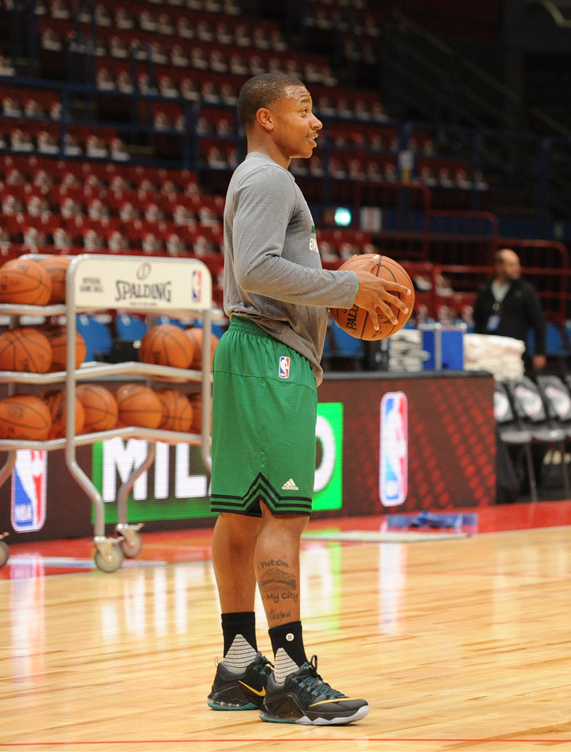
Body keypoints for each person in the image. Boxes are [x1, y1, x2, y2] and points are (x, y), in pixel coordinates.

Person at [206, 72, 411, 725]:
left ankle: (239, 668)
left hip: (248, 349)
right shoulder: (270, 179)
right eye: (305, 109)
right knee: (283, 517)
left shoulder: (252, 177)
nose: (317, 121)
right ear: (267, 118)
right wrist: (345, 289)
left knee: (241, 515)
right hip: (271, 356)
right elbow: (256, 270)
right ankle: (292, 677)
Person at [472, 247, 547, 375]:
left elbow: (538, 322)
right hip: (489, 352)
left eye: (518, 264)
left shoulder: (525, 290)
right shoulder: (485, 288)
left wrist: (540, 351)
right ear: (499, 266)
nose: (517, 268)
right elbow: (477, 318)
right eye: (512, 264)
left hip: (514, 353)